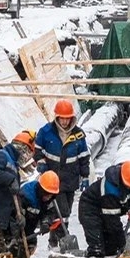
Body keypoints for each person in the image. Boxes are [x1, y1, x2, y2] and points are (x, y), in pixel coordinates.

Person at [34, 100, 90, 246]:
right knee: (61, 211)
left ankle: (53, 240)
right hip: (53, 180)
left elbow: (84, 156)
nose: (65, 122)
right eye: (62, 118)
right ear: (57, 117)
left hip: (70, 179)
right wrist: (41, 163)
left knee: (65, 211)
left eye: (67, 118)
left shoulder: (78, 135)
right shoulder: (46, 132)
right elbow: (38, 151)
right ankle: (62, 239)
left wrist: (85, 176)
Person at [78, 160, 130, 258]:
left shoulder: (127, 178)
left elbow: (129, 192)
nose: (129, 187)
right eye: (128, 185)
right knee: (97, 248)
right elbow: (113, 223)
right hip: (89, 208)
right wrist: (122, 243)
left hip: (104, 208)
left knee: (111, 247)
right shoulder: (110, 191)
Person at [13, 171, 62, 258]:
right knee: (12, 248)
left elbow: (50, 213)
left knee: (30, 245)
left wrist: (46, 223)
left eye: (51, 195)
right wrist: (20, 216)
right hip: (15, 227)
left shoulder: (50, 200)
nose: (48, 197)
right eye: (46, 194)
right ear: (41, 189)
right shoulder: (25, 194)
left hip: (29, 229)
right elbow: (15, 209)